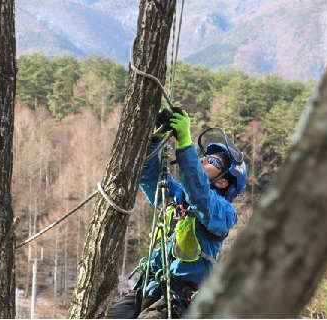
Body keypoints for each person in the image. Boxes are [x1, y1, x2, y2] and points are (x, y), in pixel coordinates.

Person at [106, 108, 247, 319]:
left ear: (223, 181)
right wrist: (157, 138)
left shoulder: (224, 213)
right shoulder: (177, 195)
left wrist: (185, 145)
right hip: (148, 288)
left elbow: (199, 195)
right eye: (204, 156)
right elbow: (148, 173)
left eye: (213, 162)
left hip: (178, 300)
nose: (203, 160)